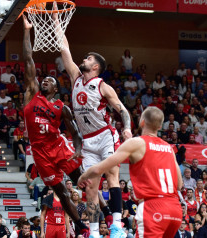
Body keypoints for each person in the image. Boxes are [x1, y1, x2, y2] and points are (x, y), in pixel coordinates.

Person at [57, 8, 135, 235]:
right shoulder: (75, 77)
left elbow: (123, 110)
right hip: (86, 140)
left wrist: (128, 129)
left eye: (88, 58)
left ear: (96, 67)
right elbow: (64, 49)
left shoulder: (102, 85)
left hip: (105, 135)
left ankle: (117, 225)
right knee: (90, 187)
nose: (84, 59)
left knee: (112, 175)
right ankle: (92, 230)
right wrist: (55, 20)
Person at [22, 16, 89, 234]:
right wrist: (27, 31)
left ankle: (99, 213)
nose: (45, 81)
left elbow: (75, 133)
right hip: (40, 153)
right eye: (44, 79)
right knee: (62, 192)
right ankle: (80, 226)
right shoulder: (32, 94)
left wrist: (77, 150)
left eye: (50, 80)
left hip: (58, 146)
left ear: (56, 89)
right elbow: (28, 59)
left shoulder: (62, 107)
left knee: (83, 182)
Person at [78, 106, 183, 238]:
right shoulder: (168, 148)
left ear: (142, 121)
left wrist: (83, 176)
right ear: (160, 126)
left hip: (153, 207)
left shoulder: (137, 143)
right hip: (175, 210)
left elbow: (100, 168)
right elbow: (179, 184)